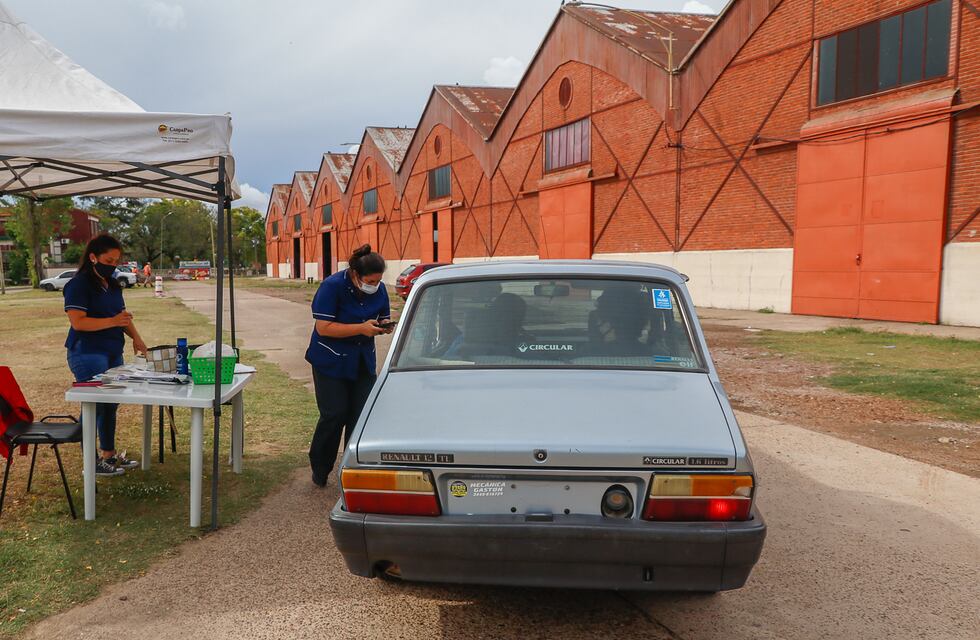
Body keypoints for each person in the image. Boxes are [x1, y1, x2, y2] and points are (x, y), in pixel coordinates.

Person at [305, 244, 394, 487]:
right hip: (330, 360)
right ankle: (320, 467)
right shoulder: (332, 286)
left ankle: (353, 470)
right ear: (355, 274)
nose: (375, 285)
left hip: (362, 361)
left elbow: (382, 315)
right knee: (335, 414)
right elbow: (323, 328)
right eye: (371, 281)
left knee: (361, 416)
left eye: (378, 281)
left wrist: (384, 325)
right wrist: (361, 328)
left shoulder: (380, 289)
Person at [64, 234, 148, 476]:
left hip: (112, 352)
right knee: (94, 406)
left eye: (116, 261)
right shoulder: (78, 285)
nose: (113, 266)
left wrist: (137, 338)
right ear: (93, 257)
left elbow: (121, 315)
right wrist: (112, 321)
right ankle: (90, 464)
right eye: (108, 261)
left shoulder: (112, 284)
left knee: (110, 405)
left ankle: (108, 456)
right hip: (87, 352)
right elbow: (79, 322)